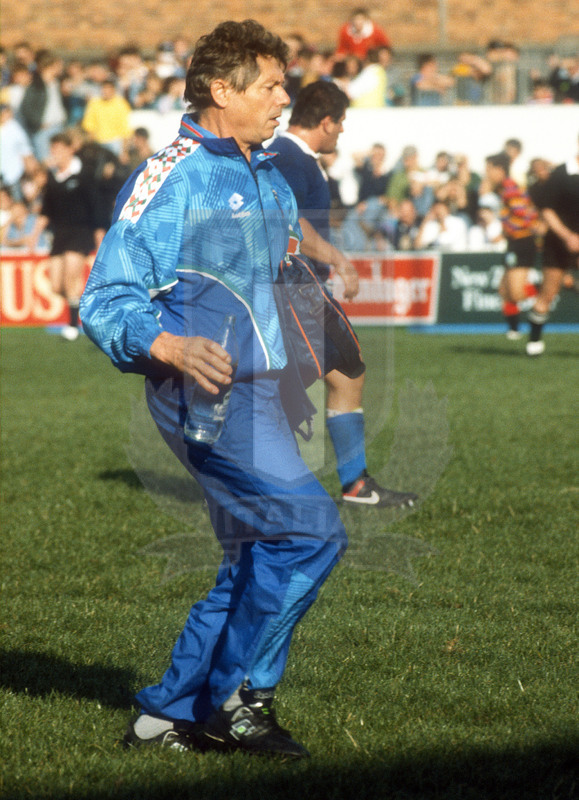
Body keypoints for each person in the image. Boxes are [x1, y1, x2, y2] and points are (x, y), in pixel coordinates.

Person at [80, 19, 348, 759]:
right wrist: (166, 343)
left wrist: (314, 299)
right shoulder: (172, 176)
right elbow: (104, 298)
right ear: (221, 90)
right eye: (271, 86)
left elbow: (278, 256)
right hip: (206, 394)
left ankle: (168, 714)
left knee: (258, 554)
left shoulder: (263, 168)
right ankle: (232, 702)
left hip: (265, 393)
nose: (283, 98)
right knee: (309, 532)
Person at [271, 80, 417, 508]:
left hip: (299, 285)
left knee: (335, 373)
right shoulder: (291, 158)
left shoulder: (296, 158)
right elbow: (289, 220)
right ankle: (344, 485)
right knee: (331, 375)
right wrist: (340, 260)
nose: (342, 131)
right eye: (341, 123)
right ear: (325, 121)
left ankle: (345, 485)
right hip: (296, 287)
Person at [30, 132, 97, 340]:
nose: (55, 154)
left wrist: (99, 233)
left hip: (80, 232)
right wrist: (34, 235)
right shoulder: (52, 179)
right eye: (52, 150)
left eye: (58, 150)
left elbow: (96, 207)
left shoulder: (83, 174)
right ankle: (83, 308)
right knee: (56, 285)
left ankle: (73, 325)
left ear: (70, 150)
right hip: (60, 234)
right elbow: (46, 211)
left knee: (71, 279)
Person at [525, 135, 579, 355]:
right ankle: (534, 342)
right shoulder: (560, 174)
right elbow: (547, 211)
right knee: (548, 294)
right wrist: (568, 236)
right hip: (558, 243)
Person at [484, 151, 540, 339]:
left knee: (516, 293)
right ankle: (514, 331)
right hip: (514, 243)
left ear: (500, 170)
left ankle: (550, 290)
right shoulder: (503, 189)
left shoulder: (511, 189)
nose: (487, 174)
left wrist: (507, 231)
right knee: (504, 290)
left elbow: (527, 215)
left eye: (489, 169)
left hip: (522, 241)